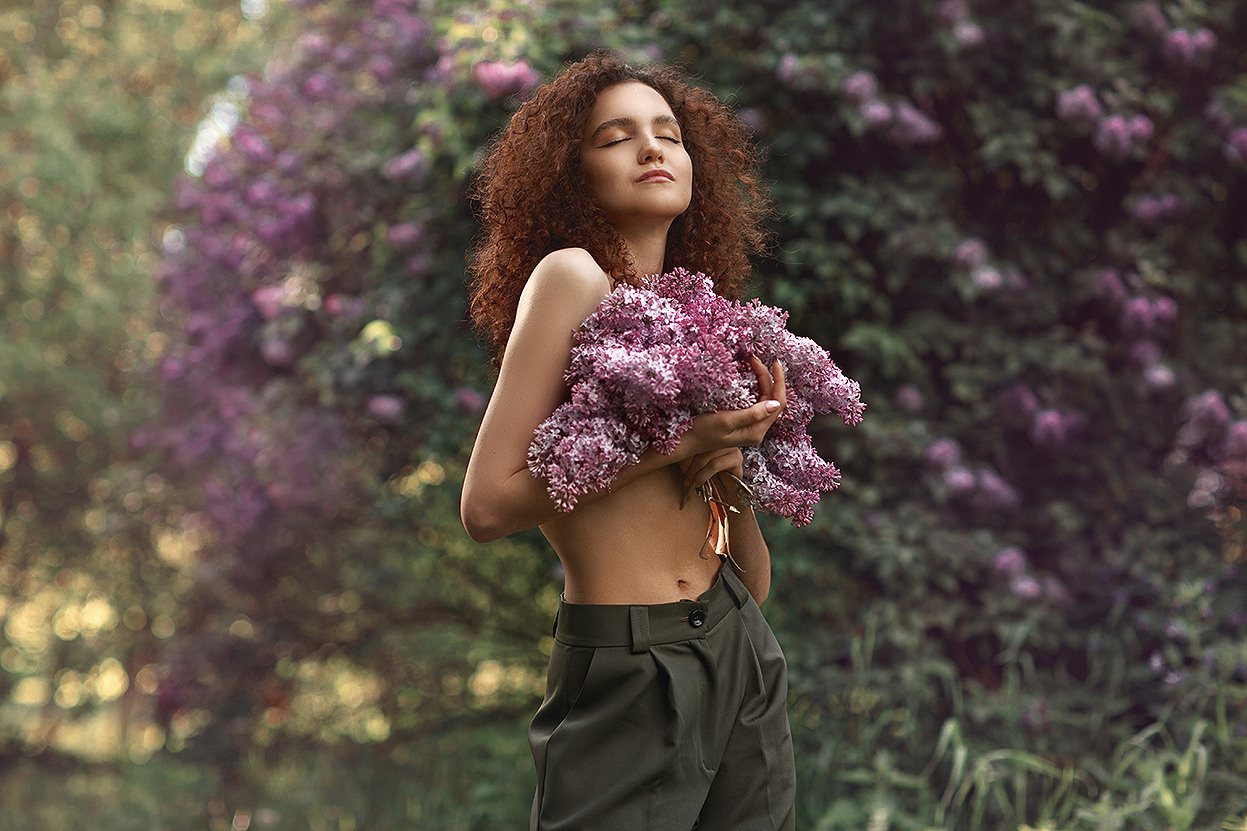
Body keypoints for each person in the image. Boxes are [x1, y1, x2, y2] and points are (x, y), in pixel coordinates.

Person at [461, 51, 796, 830]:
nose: (651, 148)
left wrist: (730, 460)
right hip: (627, 662)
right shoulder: (571, 276)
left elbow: (752, 579)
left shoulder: (695, 318)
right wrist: (680, 441)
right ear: (572, 174)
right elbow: (485, 506)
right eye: (615, 137)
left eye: (668, 134)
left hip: (736, 643)